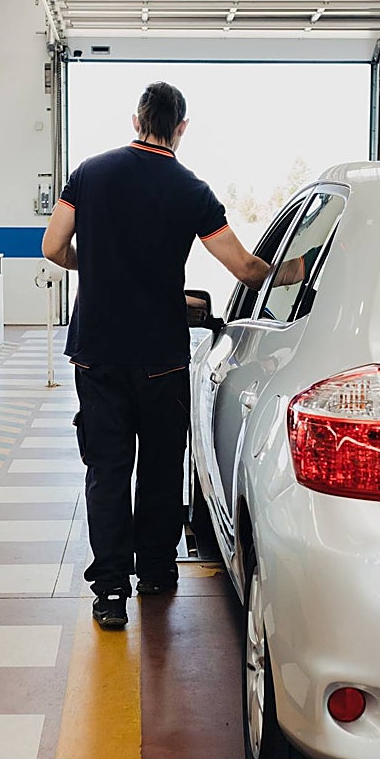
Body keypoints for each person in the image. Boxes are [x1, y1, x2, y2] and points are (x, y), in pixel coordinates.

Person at [41, 81, 272, 629]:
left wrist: (94, 265)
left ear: (135, 119)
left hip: (97, 351)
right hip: (162, 356)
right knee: (162, 465)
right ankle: (158, 573)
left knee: (106, 467)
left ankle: (111, 590)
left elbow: (52, 247)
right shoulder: (191, 190)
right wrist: (289, 273)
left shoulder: (89, 174)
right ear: (182, 128)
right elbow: (242, 267)